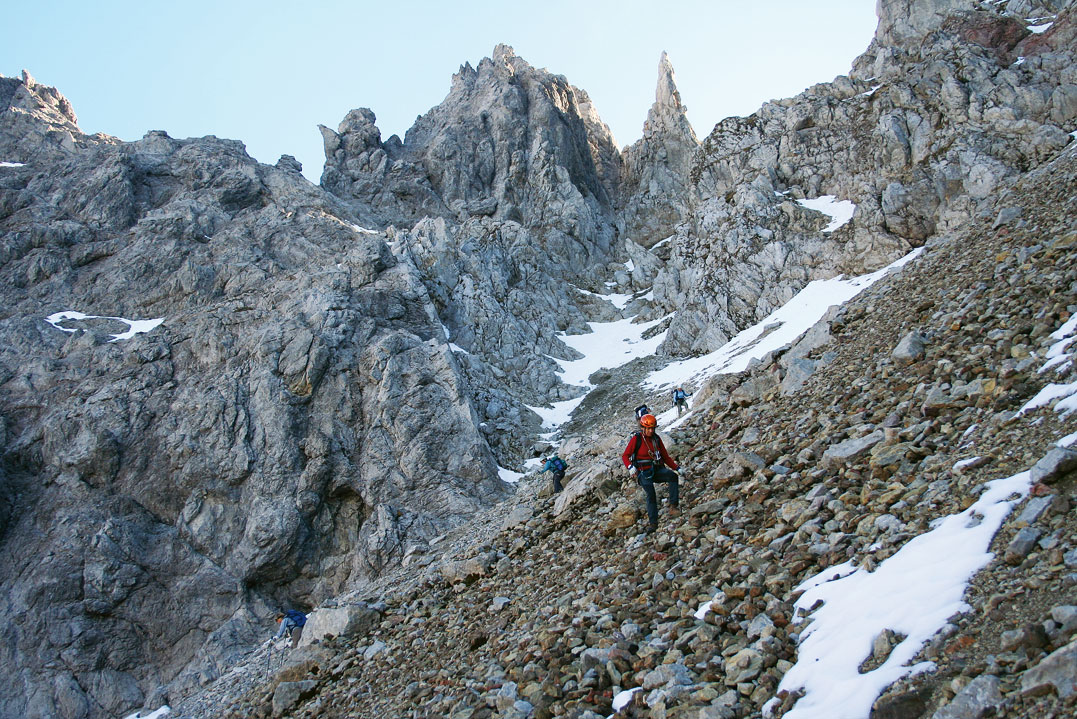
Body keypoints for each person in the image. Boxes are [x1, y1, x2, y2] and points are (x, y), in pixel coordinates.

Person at [621, 413, 680, 533]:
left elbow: (665, 457)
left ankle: (673, 506)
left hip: (656, 469)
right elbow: (625, 456)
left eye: (652, 428)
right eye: (648, 428)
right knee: (651, 494)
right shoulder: (636, 439)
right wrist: (630, 466)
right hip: (642, 472)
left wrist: (677, 468)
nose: (651, 431)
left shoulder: (656, 439)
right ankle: (653, 523)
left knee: (672, 476)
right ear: (643, 428)